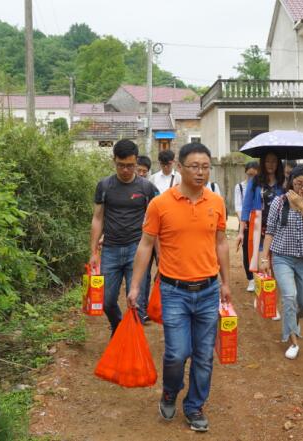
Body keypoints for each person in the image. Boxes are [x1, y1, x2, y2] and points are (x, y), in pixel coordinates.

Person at [127, 142, 231, 433]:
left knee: (203, 355)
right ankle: (171, 390)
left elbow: (221, 242)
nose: (200, 172)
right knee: (176, 352)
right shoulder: (160, 204)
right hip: (174, 291)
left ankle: (195, 405)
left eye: (205, 166)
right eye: (194, 166)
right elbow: (146, 245)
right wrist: (136, 286)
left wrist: (225, 282)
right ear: (180, 167)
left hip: (208, 290)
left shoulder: (216, 202)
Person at [89, 139, 159, 332]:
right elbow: (97, 219)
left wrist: (160, 256)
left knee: (136, 300)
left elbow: (157, 225)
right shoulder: (104, 186)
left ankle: (130, 343)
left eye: (130, 165)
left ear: (136, 163)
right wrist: (94, 251)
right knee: (106, 300)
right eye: (121, 165)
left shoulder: (147, 189)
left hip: (137, 251)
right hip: (110, 249)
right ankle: (118, 325)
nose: (126, 170)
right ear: (114, 161)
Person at [259, 165, 303, 360]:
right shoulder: (279, 202)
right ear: (290, 181)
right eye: (298, 183)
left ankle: (293, 322)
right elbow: (269, 231)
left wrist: (302, 206)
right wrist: (264, 258)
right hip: (282, 257)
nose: (302, 188)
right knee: (289, 296)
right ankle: (293, 341)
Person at [237, 152, 284, 292]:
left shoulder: (283, 181)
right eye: (267, 161)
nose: (271, 165)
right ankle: (263, 292)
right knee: (260, 257)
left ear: (278, 163)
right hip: (259, 226)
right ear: (262, 163)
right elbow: (246, 206)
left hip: (278, 226)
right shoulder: (256, 181)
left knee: (275, 258)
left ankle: (272, 289)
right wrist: (241, 231)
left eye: (274, 161)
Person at [233, 161, 259, 291]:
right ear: (245, 173)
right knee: (247, 251)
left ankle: (262, 277)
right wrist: (243, 222)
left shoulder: (261, 187)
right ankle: (251, 280)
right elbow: (238, 206)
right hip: (246, 223)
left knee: (260, 250)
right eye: (249, 175)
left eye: (254, 175)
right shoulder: (240, 187)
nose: (251, 178)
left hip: (260, 223)